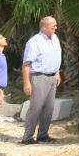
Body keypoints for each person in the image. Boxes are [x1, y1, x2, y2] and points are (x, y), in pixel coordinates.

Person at [20, 16, 61, 144]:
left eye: (55, 25)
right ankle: (27, 137)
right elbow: (26, 63)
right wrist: (26, 83)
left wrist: (57, 73)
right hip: (38, 77)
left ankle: (43, 135)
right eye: (53, 25)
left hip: (52, 76)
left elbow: (55, 57)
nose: (56, 27)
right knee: (36, 107)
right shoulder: (34, 41)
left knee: (49, 107)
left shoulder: (55, 38)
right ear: (44, 27)